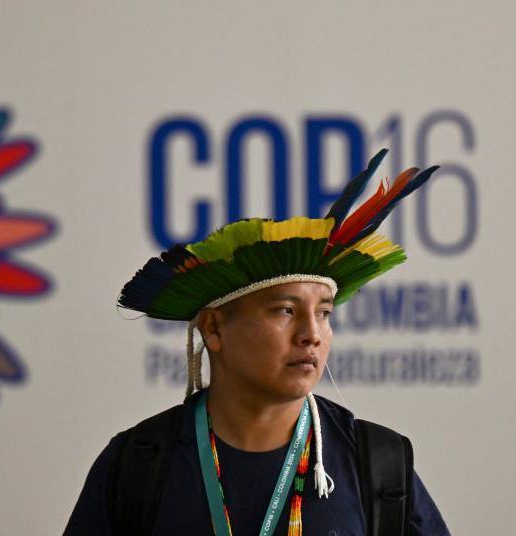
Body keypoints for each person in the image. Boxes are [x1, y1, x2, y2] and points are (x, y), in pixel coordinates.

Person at [65, 149, 451, 535]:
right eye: (285, 310)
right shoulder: (137, 465)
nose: (312, 334)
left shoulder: (378, 465)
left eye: (324, 313)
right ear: (214, 329)